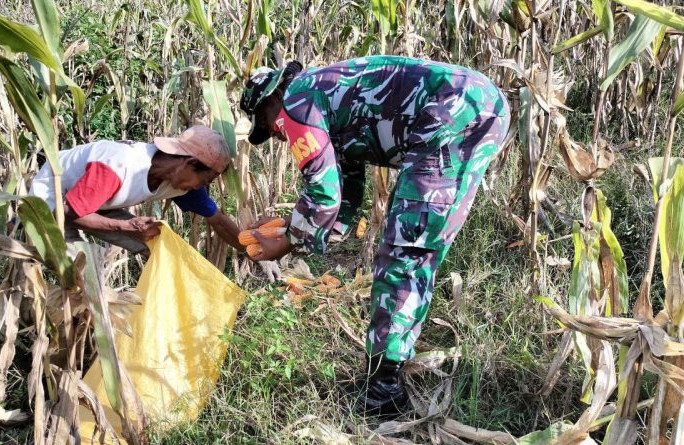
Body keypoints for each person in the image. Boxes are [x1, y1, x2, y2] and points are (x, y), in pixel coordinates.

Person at [240, 56, 510, 416]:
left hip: (452, 110)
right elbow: (345, 193)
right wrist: (300, 228)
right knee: (417, 247)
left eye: (264, 121)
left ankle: (382, 392)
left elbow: (323, 195)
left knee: (407, 251)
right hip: (478, 104)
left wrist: (286, 240)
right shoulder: (325, 94)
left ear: (273, 98)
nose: (274, 132)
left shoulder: (296, 102)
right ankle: (387, 373)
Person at [28, 125, 244, 256]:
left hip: (97, 202)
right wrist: (123, 226)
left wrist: (253, 252)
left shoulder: (182, 186)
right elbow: (67, 213)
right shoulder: (118, 166)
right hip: (55, 200)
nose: (200, 188)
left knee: (159, 247)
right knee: (80, 268)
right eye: (203, 180)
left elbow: (217, 219)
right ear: (186, 163)